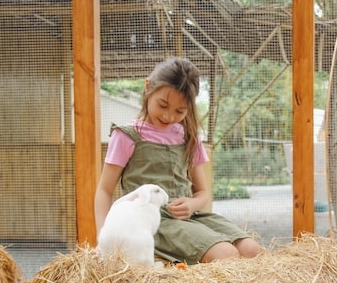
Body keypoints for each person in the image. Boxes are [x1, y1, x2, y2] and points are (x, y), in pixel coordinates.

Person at [94, 57, 263, 264]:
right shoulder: (127, 136)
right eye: (163, 105)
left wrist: (192, 204)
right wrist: (104, 240)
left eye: (180, 111)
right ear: (148, 88)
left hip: (189, 217)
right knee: (226, 255)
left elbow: (203, 192)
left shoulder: (189, 137)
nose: (168, 116)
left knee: (253, 251)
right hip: (152, 222)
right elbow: (104, 190)